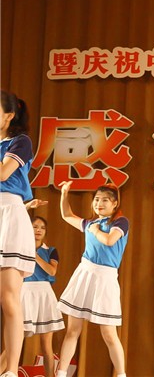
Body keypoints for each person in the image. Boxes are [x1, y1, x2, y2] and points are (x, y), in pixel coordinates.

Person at [56, 182, 130, 377]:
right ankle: (61, 373)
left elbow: (109, 240)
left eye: (105, 200)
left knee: (109, 334)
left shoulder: (121, 222)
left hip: (105, 278)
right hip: (85, 273)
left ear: (115, 203)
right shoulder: (90, 223)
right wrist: (64, 193)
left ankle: (121, 374)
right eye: (96, 199)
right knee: (73, 330)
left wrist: (95, 230)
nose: (99, 203)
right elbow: (67, 215)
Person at [0, 90, 36, 377]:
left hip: (8, 214)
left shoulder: (20, 141)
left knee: (8, 298)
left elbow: (3, 174)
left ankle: (11, 370)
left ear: (9, 115)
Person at [22, 213, 65, 376]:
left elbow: (52, 271)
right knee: (16, 341)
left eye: (42, 228)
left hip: (45, 293)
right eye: (35, 226)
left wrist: (35, 257)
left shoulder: (51, 251)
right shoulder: (20, 248)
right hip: (25, 291)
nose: (38, 230)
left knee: (46, 345)